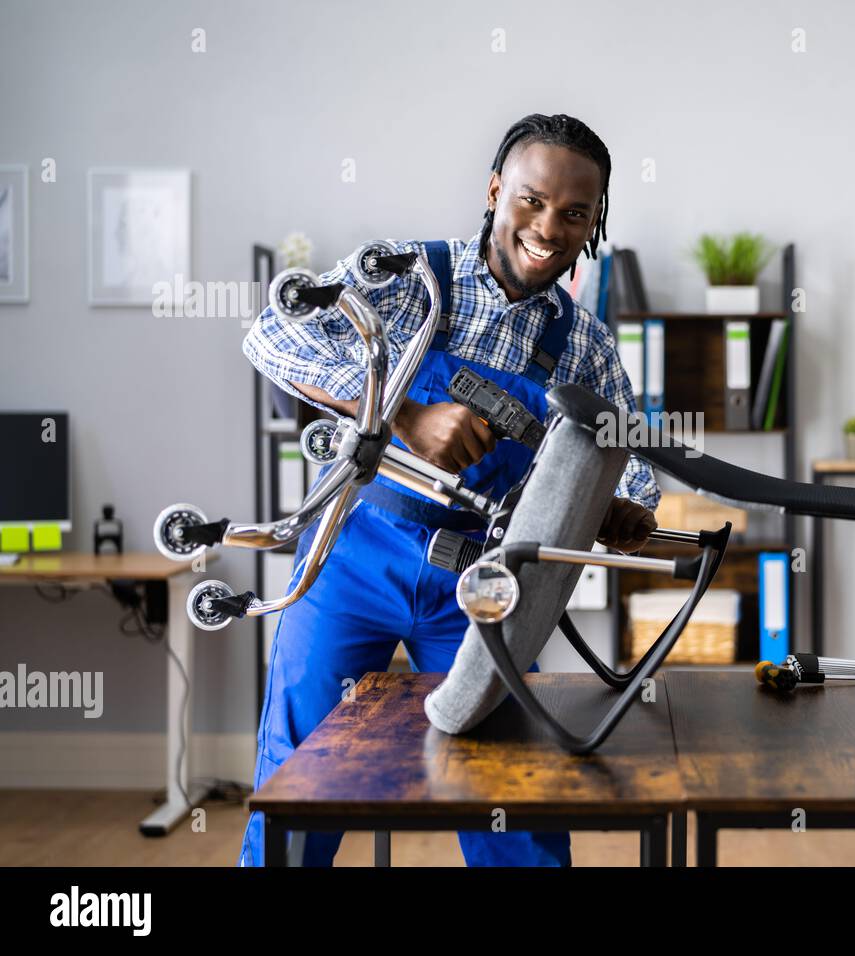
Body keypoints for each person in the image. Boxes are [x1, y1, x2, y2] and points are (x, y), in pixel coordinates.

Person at [238, 113, 660, 866]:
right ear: (496, 189)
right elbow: (270, 336)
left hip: (482, 587)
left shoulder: (586, 345)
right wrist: (401, 412)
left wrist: (621, 510)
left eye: (574, 214)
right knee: (305, 774)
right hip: (354, 557)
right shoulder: (408, 278)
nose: (547, 228)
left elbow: (635, 467)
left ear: (595, 223)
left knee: (511, 790)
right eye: (531, 200)